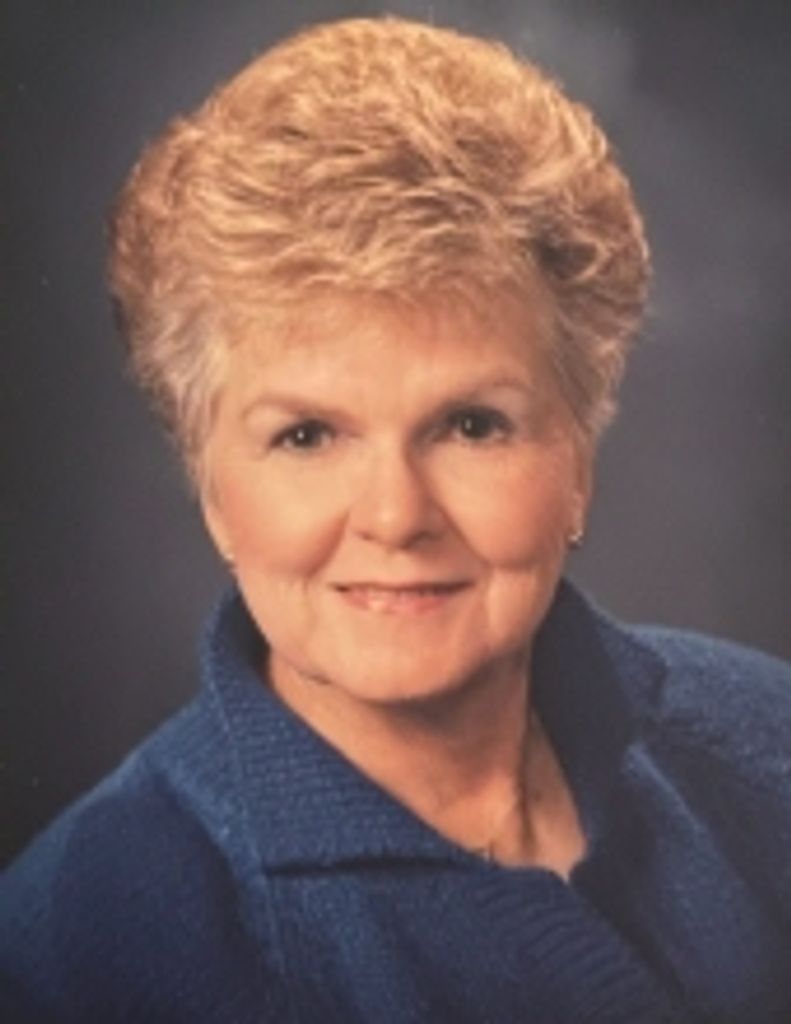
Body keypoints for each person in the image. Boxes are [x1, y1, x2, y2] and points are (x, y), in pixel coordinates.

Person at [2, 15, 790, 1023]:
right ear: (214, 492)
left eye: (470, 425)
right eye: (306, 435)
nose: (394, 514)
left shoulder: (767, 738)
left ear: (576, 462)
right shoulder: (71, 954)